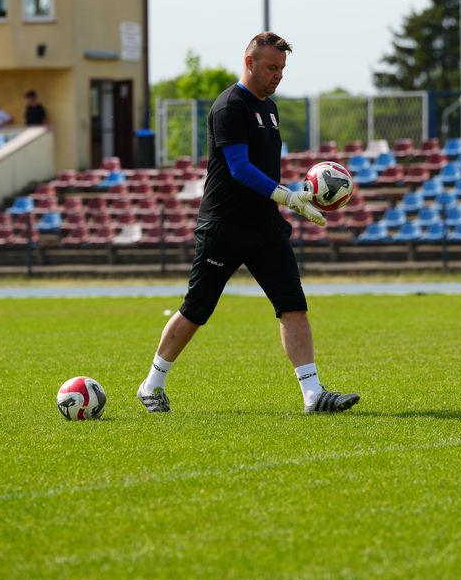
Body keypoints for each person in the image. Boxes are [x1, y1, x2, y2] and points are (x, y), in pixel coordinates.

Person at [137, 32, 360, 415]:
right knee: (197, 309)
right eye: (272, 67)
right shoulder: (229, 107)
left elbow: (262, 169)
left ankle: (313, 395)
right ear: (250, 62)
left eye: (283, 68)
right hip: (224, 225)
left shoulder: (270, 109)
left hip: (264, 227)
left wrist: (289, 199)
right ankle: (151, 384)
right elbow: (239, 169)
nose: (278, 75)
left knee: (293, 303)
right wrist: (288, 196)